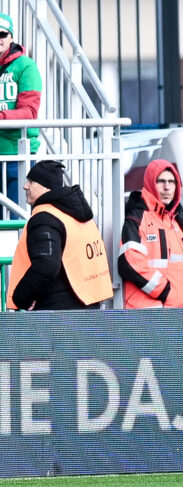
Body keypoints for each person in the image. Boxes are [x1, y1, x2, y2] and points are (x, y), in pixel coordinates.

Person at [5, 160, 113, 310]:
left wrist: (21, 297)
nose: (25, 186)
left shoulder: (45, 217)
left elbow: (47, 264)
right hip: (88, 306)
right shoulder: (75, 215)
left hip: (57, 313)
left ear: (46, 187)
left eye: (31, 181)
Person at [118, 159, 183, 308]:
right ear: (151, 183)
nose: (167, 187)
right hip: (160, 313)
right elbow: (130, 263)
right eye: (161, 181)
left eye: (172, 182)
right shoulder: (138, 218)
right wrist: (166, 292)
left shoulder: (180, 220)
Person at [0, 13, 42, 210]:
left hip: (17, 154)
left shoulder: (26, 66)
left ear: (11, 38)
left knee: (16, 218)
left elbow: (29, 112)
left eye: (2, 34)